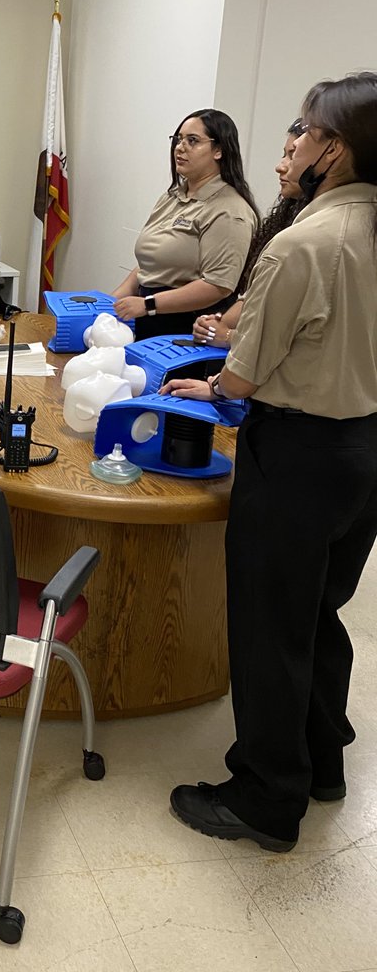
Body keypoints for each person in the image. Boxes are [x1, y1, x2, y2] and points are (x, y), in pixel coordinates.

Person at [162, 72, 377, 852]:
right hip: (364, 449)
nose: (294, 146)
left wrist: (211, 383)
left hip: (297, 454)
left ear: (335, 148)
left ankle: (265, 797)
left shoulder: (303, 243)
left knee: (268, 628)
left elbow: (245, 377)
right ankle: (322, 763)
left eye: (306, 132)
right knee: (318, 612)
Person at [113, 109, 259, 340]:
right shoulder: (173, 196)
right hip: (147, 315)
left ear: (219, 150)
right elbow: (152, 266)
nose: (180, 148)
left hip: (185, 327)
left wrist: (147, 305)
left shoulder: (229, 210)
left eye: (193, 141)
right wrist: (113, 302)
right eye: (178, 139)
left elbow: (217, 286)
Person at [193, 119, 306, 346]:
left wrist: (226, 335)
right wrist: (218, 323)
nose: (281, 166)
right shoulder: (286, 218)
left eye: (293, 155)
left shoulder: (233, 211)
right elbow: (253, 294)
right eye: (284, 154)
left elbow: (280, 326)